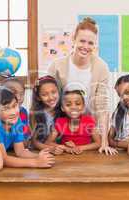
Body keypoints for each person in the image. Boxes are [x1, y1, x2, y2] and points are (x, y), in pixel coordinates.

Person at [48, 17, 115, 155]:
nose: (85, 46)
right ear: (74, 39)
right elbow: (48, 101)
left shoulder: (101, 67)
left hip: (89, 133)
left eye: (91, 43)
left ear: (95, 45)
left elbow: (102, 106)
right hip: (62, 132)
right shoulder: (57, 66)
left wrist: (104, 142)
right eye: (82, 41)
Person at [0, 87, 55, 168]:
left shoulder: (17, 120)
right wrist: (36, 162)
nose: (13, 112)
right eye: (6, 108)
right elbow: (3, 159)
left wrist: (39, 156)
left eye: (15, 106)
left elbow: (20, 151)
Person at [45, 86, 101, 154]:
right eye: (68, 105)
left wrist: (78, 148)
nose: (73, 107)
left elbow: (98, 143)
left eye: (78, 104)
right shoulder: (60, 122)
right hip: (66, 157)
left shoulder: (89, 121)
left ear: (83, 107)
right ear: (62, 108)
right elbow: (48, 142)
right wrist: (66, 148)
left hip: (86, 157)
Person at [29, 75, 63, 153]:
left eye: (53, 92)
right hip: (40, 151)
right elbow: (34, 142)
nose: (51, 97)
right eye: (44, 95)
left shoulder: (63, 111)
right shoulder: (34, 114)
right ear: (38, 97)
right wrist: (50, 149)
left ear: (58, 91)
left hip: (60, 150)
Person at [0, 77, 31, 146]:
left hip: (17, 148)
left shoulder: (23, 112)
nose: (19, 97)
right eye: (14, 93)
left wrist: (26, 139)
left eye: (22, 94)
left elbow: (25, 132)